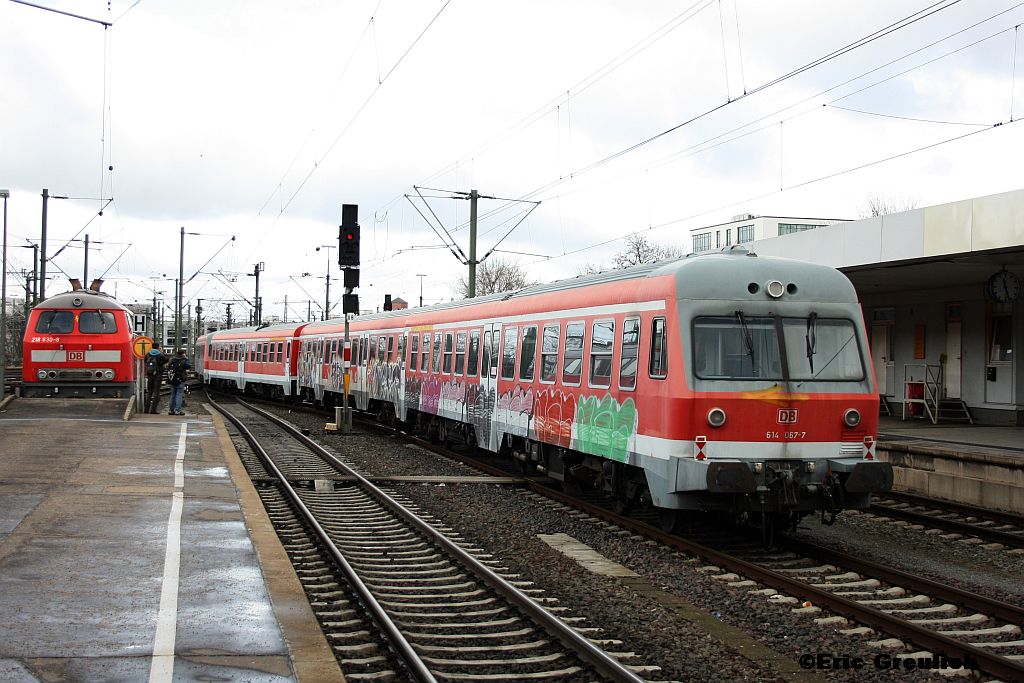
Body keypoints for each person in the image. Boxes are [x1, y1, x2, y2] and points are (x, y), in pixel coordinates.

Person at [145, 341, 169, 414]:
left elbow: (145, 361)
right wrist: (161, 352)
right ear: (158, 347)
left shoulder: (148, 354)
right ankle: (153, 410)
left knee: (149, 392)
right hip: (158, 375)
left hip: (150, 375)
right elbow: (166, 360)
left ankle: (146, 409)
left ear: (152, 347)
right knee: (156, 392)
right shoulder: (160, 355)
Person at [167, 349, 191, 416]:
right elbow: (189, 366)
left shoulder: (172, 359)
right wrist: (186, 358)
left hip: (172, 379)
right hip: (180, 379)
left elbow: (167, 367)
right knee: (179, 395)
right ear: (183, 354)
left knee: (172, 395)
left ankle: (171, 410)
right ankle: (178, 410)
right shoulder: (184, 360)